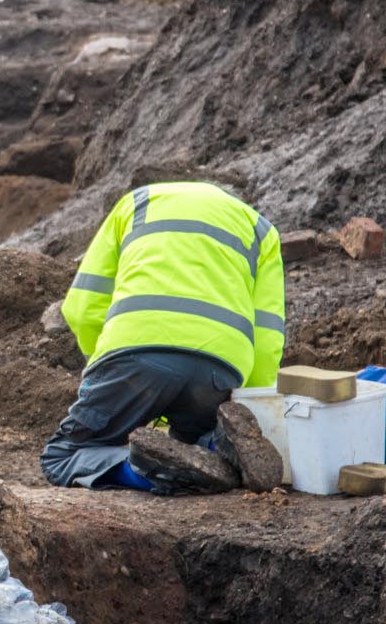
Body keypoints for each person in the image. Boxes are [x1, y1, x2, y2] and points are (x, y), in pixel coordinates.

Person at [41, 181, 284, 492]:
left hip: (134, 352)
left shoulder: (135, 203)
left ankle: (146, 471)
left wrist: (105, 368)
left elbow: (83, 307)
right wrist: (246, 403)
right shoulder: (262, 230)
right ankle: (215, 447)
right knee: (191, 438)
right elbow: (267, 339)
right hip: (220, 367)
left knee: (63, 455)